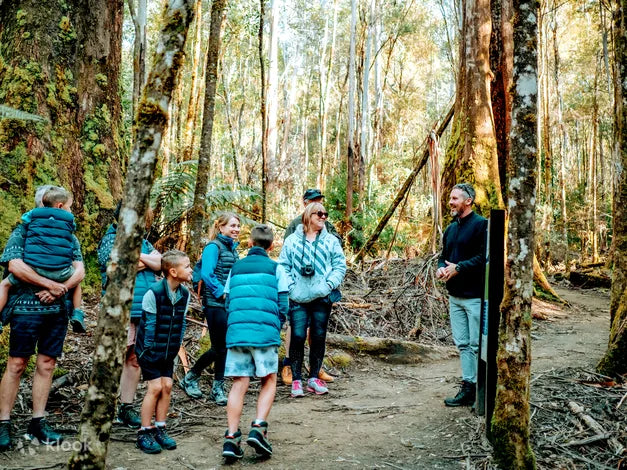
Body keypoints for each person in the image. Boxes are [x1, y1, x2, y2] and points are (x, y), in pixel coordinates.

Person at [0, 185, 85, 450]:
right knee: (17, 363)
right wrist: (49, 284)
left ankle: (38, 422)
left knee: (47, 364)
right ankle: (3, 422)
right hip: (25, 308)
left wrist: (61, 288)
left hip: (57, 310)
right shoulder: (23, 231)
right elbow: (14, 264)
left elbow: (79, 269)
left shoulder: (68, 236)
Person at [221, 224, 289, 460]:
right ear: (271, 247)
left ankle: (231, 438)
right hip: (264, 334)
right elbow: (283, 304)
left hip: (237, 333)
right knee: (269, 379)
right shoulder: (276, 268)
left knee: (239, 382)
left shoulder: (236, 268)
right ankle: (259, 428)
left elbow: (227, 302)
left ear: (249, 244)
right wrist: (275, 327)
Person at [98, 203, 162, 428]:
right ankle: (104, 406)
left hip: (142, 308)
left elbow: (161, 262)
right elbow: (114, 267)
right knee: (116, 356)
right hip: (120, 308)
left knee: (134, 359)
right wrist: (147, 261)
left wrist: (136, 258)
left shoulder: (144, 242)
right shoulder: (111, 239)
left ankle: (126, 407)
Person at [278, 202, 346, 398]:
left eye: (326, 214)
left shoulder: (331, 240)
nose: (323, 217)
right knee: (298, 336)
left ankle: (314, 378)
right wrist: (290, 287)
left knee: (318, 337)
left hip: (321, 298)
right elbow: (282, 265)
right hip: (298, 297)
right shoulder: (292, 240)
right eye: (319, 214)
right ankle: (296, 380)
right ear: (308, 216)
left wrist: (328, 285)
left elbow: (339, 266)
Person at [0, 186, 86, 333]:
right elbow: (15, 265)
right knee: (20, 356)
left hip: (51, 298)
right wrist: (56, 286)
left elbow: (81, 271)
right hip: (32, 303)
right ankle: (77, 312)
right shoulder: (68, 231)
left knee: (5, 284)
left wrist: (55, 289)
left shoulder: (28, 224)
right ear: (60, 206)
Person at [179, 212, 240, 405]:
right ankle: (191, 377)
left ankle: (217, 387)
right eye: (232, 225)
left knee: (225, 346)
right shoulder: (213, 247)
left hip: (228, 303)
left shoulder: (233, 249)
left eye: (238, 226)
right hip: (215, 303)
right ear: (221, 227)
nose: (236, 229)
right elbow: (207, 273)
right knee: (219, 346)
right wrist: (221, 292)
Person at [135, 250, 192, 454]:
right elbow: (149, 325)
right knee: (155, 387)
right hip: (149, 351)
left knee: (167, 386)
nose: (191, 269)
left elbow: (182, 323)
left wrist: (175, 347)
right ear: (173, 272)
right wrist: (149, 351)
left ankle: (160, 428)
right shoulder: (154, 292)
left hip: (169, 351)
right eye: (187, 266)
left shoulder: (184, 294)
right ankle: (144, 432)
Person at [436, 183, 488, 407]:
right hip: (455, 296)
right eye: (450, 198)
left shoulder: (481, 225)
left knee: (477, 345)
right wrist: (441, 268)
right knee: (463, 344)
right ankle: (469, 386)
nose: (450, 202)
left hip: (475, 296)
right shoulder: (450, 228)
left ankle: (482, 390)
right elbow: (443, 256)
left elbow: (484, 257)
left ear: (468, 201)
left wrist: (459, 267)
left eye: (455, 198)